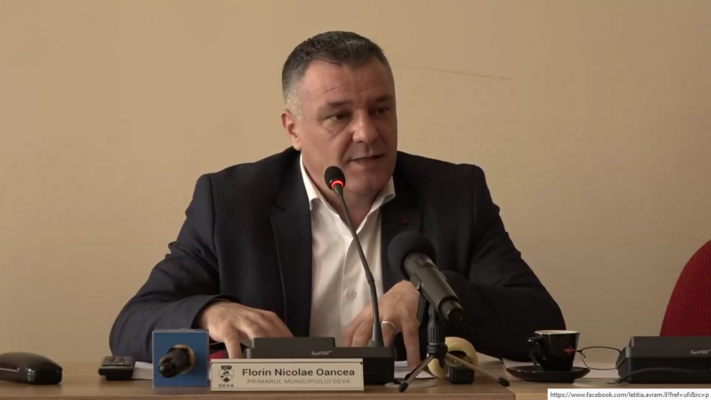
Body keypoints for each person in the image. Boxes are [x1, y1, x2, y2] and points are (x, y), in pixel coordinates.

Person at [109, 31, 565, 368]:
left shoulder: (455, 195)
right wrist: (209, 312)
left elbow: (543, 324)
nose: (367, 132)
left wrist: (432, 295)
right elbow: (131, 324)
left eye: (381, 109)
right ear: (293, 129)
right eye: (339, 116)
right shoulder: (230, 202)